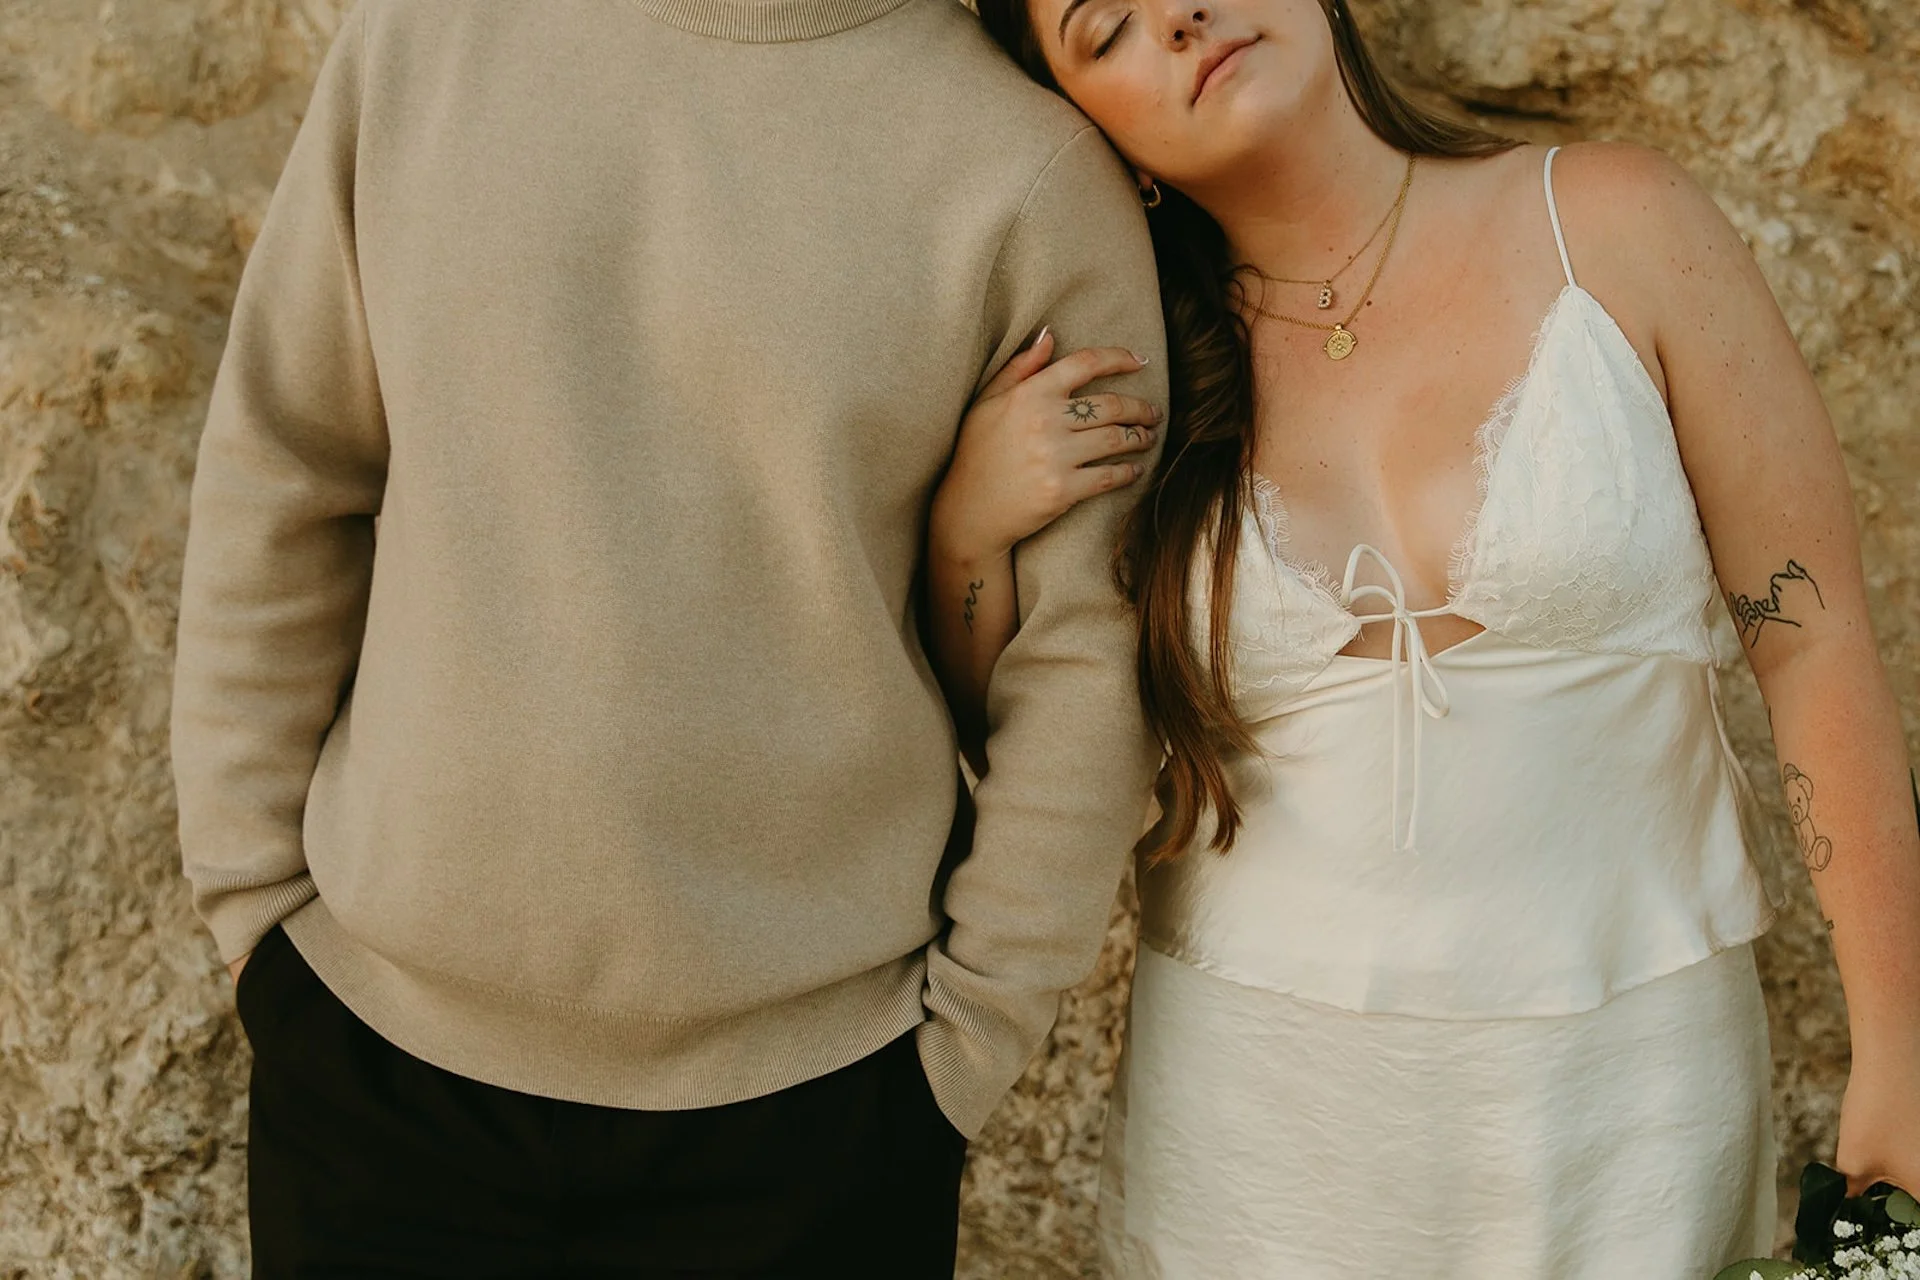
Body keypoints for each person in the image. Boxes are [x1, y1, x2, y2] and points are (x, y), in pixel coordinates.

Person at [168, 0, 1171, 1270]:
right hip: (372, 1061)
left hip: (817, 1117)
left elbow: (1088, 649)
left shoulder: (1026, 170)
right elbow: (286, 469)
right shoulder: (424, 42)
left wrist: (972, 1034)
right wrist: (254, 898)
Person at [927, 0, 1920, 1271]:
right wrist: (967, 537)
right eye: (1105, 26)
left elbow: (1813, 645)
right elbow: (1030, 744)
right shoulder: (1136, 373)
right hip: (1261, 1132)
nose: (1178, 16)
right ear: (1093, 135)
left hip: (1632, 1105)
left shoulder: (1617, 223)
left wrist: (1901, 1049)